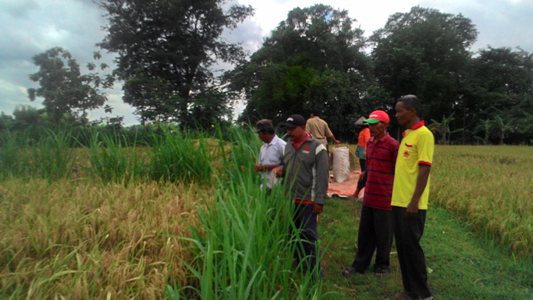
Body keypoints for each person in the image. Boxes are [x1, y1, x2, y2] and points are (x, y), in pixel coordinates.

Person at [343, 110, 399, 276]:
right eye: (370, 124)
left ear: (385, 125)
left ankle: (382, 266)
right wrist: (358, 191)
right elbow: (367, 171)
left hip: (385, 198)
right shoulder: (371, 143)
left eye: (375, 125)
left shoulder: (393, 146)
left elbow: (399, 173)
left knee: (383, 235)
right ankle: (359, 265)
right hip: (369, 197)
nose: (371, 128)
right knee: (365, 234)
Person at [273, 114, 329, 277]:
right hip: (290, 199)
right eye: (287, 129)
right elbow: (286, 166)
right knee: (293, 233)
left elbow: (322, 177)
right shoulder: (287, 147)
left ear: (303, 127)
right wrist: (280, 171)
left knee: (308, 235)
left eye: (292, 129)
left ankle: (315, 271)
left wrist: (319, 200)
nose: (289, 132)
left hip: (308, 200)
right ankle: (299, 262)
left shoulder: (317, 148)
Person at [392, 95, 435, 300]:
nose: (396, 115)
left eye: (400, 110)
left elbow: (424, 170)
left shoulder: (424, 135)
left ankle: (423, 294)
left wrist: (414, 201)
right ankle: (410, 290)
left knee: (412, 247)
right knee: (402, 247)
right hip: (398, 202)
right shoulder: (407, 134)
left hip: (411, 204)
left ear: (412, 111)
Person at [255, 119, 286, 191]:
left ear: (265, 132)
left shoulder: (281, 145)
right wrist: (258, 167)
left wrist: (269, 167)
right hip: (264, 185)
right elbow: (260, 162)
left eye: (259, 133)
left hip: (277, 187)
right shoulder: (263, 146)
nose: (258, 136)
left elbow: (290, 165)